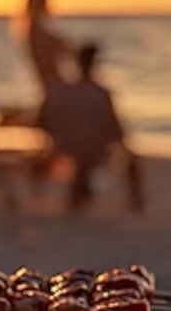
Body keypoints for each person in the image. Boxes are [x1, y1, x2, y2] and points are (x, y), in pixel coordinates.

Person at [40, 43, 144, 212]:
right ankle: (136, 204)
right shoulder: (101, 94)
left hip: (64, 146)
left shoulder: (60, 91)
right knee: (131, 157)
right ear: (95, 64)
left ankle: (80, 191)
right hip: (93, 150)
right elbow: (116, 129)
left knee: (83, 158)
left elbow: (43, 122)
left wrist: (55, 138)